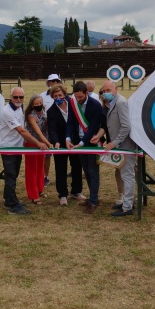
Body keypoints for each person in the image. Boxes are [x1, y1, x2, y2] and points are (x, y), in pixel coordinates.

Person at [0, 87, 49, 215]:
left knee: (13, 175)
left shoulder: (19, 109)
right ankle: (12, 205)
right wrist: (38, 143)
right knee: (10, 176)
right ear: (10, 97)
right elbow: (21, 130)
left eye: (21, 97)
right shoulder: (7, 111)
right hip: (8, 148)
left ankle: (9, 199)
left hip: (17, 147)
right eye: (15, 97)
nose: (18, 99)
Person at [95, 80, 137, 217]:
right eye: (104, 91)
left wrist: (115, 142)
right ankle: (126, 203)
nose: (106, 93)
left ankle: (127, 207)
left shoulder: (120, 102)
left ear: (116, 89)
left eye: (108, 90)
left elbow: (126, 127)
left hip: (125, 146)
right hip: (120, 146)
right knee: (125, 175)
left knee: (127, 176)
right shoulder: (113, 103)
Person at [66, 81, 103, 213]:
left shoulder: (96, 105)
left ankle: (93, 201)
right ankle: (92, 197)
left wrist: (82, 143)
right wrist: (68, 138)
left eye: (80, 97)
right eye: (76, 97)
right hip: (78, 142)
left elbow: (93, 126)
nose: (78, 99)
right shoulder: (73, 103)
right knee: (86, 170)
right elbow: (70, 121)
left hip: (91, 142)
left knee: (93, 171)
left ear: (87, 93)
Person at [46, 83, 86, 206]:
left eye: (60, 95)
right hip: (60, 144)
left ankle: (76, 191)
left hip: (75, 142)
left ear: (65, 94)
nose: (58, 97)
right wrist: (56, 141)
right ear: (52, 97)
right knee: (60, 168)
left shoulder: (74, 104)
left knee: (77, 166)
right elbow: (52, 129)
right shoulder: (51, 111)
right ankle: (62, 194)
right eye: (55, 96)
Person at [24, 95, 53, 205]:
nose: (38, 105)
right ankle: (33, 195)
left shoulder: (44, 113)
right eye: (36, 104)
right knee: (31, 169)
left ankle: (39, 189)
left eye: (40, 103)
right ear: (32, 105)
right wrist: (48, 143)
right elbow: (38, 133)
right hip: (32, 143)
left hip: (43, 145)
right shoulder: (31, 116)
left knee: (40, 168)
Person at [41, 73, 61, 187]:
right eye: (52, 81)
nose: (55, 83)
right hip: (47, 128)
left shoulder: (61, 95)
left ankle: (60, 177)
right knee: (46, 155)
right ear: (48, 82)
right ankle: (46, 176)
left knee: (61, 154)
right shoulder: (43, 96)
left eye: (57, 81)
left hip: (58, 128)